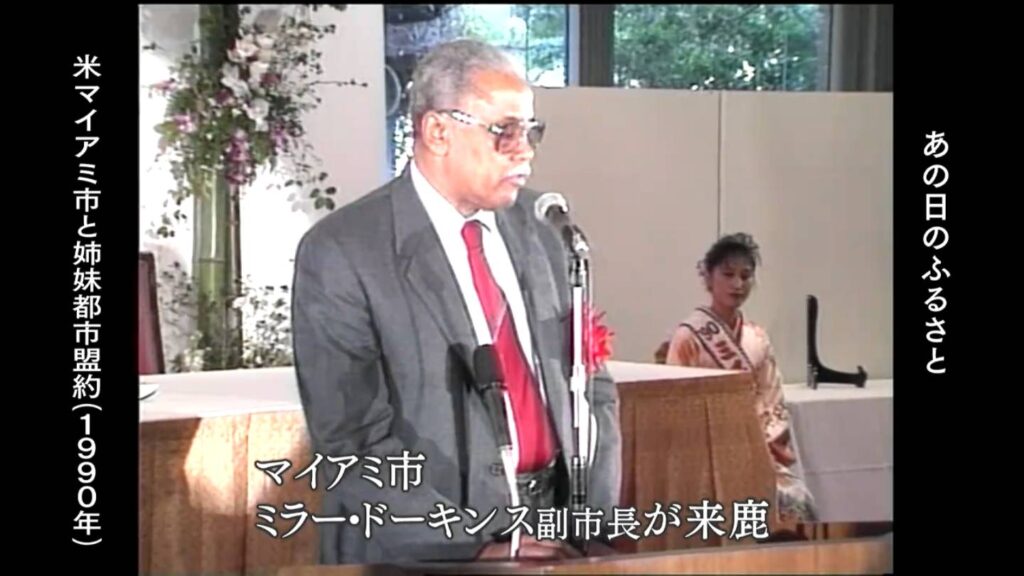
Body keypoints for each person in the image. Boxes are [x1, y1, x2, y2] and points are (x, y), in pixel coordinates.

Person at [291, 39, 621, 565]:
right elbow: (351, 441)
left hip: (554, 532)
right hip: (420, 549)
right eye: (504, 131)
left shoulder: (544, 227)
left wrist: (591, 521)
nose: (524, 150)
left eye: (531, 131)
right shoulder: (344, 250)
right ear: (437, 131)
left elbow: (592, 386)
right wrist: (473, 547)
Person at [664, 233, 818, 524]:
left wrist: (758, 446)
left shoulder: (757, 338)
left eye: (746, 276)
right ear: (708, 277)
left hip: (756, 448)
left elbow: (773, 400)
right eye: (728, 274)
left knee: (796, 501)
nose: (737, 284)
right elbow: (674, 405)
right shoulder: (689, 337)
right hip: (704, 453)